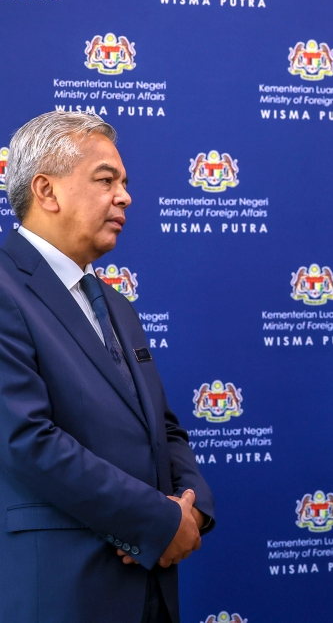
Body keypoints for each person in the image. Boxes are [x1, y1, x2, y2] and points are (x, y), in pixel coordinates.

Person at [0, 111, 215, 622]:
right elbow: (26, 441)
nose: (125, 196)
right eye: (106, 180)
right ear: (46, 191)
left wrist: (194, 505)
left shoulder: (116, 305)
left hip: (149, 590)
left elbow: (161, 428)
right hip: (62, 592)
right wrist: (157, 522)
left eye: (124, 182)